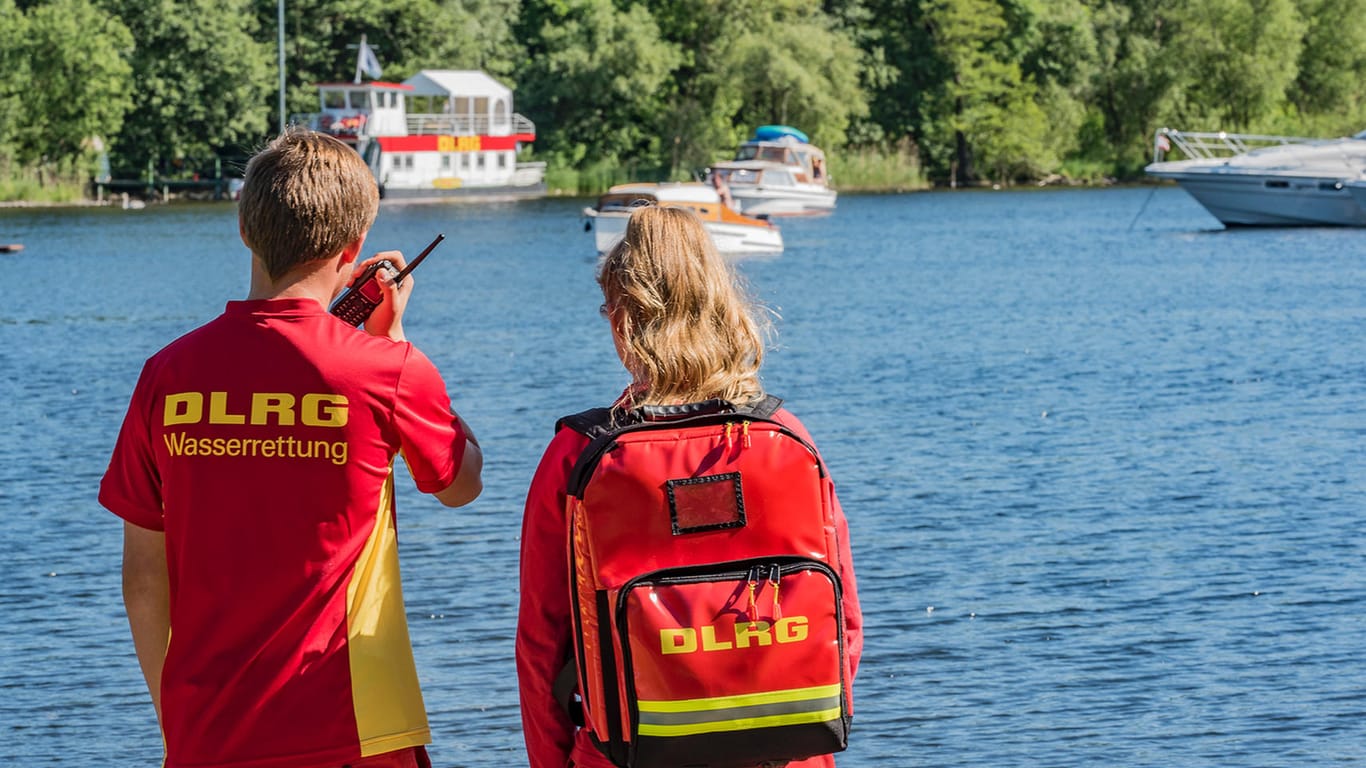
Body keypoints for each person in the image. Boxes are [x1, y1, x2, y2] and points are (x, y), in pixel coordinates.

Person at [100, 127, 483, 768]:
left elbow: (143, 580)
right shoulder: (387, 369)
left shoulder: (168, 374)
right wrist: (395, 341)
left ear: (245, 230)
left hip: (207, 736)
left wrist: (180, 728)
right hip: (356, 727)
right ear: (353, 246)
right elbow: (460, 483)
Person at [515, 205, 862, 768]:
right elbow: (842, 623)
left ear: (624, 317)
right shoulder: (785, 438)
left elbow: (541, 645)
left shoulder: (579, 455)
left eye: (607, 308)